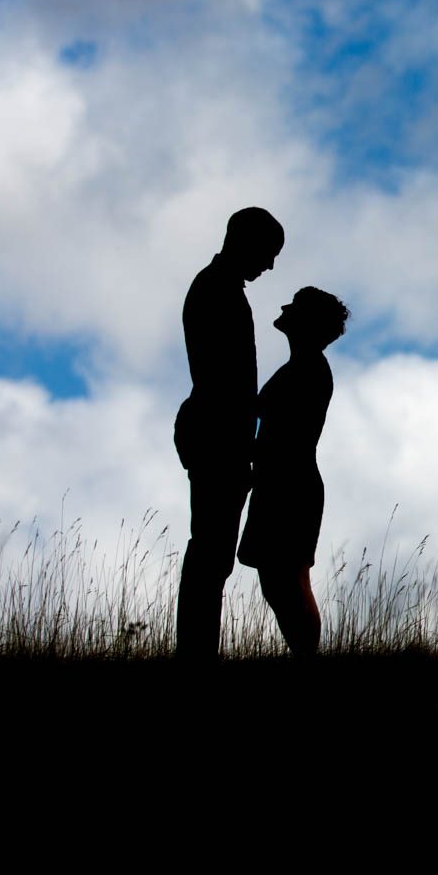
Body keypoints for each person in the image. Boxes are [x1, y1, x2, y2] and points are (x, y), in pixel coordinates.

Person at [174, 206, 284, 659]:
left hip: (220, 434)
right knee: (210, 552)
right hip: (218, 436)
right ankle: (196, 655)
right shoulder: (216, 290)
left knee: (212, 552)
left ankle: (197, 653)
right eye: (268, 253)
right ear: (243, 241)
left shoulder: (217, 287)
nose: (270, 265)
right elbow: (226, 381)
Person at [237, 285, 349, 657]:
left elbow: (289, 436)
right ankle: (305, 659)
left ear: (307, 321)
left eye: (296, 305)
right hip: (282, 480)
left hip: (290, 484)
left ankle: (307, 661)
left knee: (288, 579)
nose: (285, 305)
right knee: (279, 580)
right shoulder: (302, 367)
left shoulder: (308, 369)